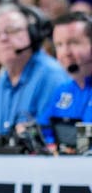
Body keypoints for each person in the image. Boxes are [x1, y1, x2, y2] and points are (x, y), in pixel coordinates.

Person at [0, 4, 67, 135]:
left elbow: (48, 137)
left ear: (33, 34)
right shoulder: (1, 80)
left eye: (12, 31)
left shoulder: (51, 75)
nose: (3, 38)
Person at [37, 12, 92, 144]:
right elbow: (43, 132)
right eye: (59, 45)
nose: (66, 53)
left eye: (73, 43)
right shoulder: (63, 90)